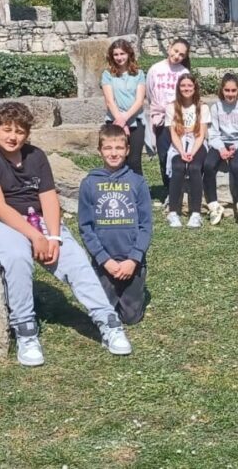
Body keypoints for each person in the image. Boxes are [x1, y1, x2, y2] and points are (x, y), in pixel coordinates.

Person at [0, 102, 132, 367]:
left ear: (27, 134)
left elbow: (48, 198)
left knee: (75, 259)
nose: (13, 137)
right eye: (7, 130)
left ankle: (108, 321)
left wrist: (54, 237)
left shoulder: (36, 156)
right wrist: (35, 237)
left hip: (36, 217)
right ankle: (25, 329)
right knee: (17, 258)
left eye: (20, 131)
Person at [78, 124, 152, 325]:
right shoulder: (89, 184)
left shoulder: (138, 182)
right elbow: (85, 227)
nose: (113, 153)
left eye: (119, 148)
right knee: (104, 316)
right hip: (104, 262)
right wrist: (104, 260)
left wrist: (134, 259)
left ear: (127, 150)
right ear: (99, 151)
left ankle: (132, 289)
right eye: (108, 148)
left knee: (131, 318)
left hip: (131, 261)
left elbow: (146, 225)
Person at [202, 73, 238, 225]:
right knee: (208, 165)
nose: (230, 94)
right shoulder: (216, 107)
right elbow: (213, 133)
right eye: (227, 90)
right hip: (220, 143)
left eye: (233, 90)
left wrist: (235, 147)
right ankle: (214, 206)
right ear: (222, 90)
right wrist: (221, 148)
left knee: (236, 166)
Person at [165, 73, 210, 228]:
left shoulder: (202, 107)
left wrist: (192, 152)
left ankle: (196, 213)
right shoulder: (172, 107)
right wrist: (182, 152)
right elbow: (173, 134)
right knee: (178, 166)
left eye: (189, 85)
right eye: (183, 85)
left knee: (194, 167)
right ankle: (173, 212)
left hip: (197, 144)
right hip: (179, 144)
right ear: (179, 88)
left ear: (195, 87)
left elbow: (201, 134)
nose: (186, 88)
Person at [146, 39, 191, 193]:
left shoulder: (184, 72)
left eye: (182, 54)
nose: (177, 56)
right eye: (175, 51)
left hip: (178, 118)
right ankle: (168, 189)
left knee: (178, 153)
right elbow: (149, 93)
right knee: (164, 155)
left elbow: (187, 95)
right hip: (160, 118)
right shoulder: (155, 69)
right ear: (169, 47)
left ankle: (181, 188)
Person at [101, 39, 147, 175]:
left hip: (135, 120)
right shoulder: (107, 74)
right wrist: (120, 121)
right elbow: (110, 101)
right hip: (114, 120)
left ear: (129, 54)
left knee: (134, 160)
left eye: (122, 54)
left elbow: (139, 100)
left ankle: (137, 186)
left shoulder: (139, 74)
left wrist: (124, 119)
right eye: (116, 54)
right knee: (115, 158)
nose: (119, 57)